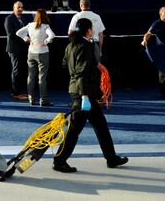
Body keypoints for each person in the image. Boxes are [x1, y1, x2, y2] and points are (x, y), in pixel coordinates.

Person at [52, 17, 128, 173]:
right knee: (77, 129)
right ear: (88, 31)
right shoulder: (86, 46)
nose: (93, 31)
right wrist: (85, 95)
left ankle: (111, 158)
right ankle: (59, 160)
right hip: (84, 93)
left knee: (98, 126)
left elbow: (65, 64)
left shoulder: (70, 45)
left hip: (76, 90)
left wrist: (92, 66)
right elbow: (82, 73)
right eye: (92, 28)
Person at [16, 9, 56, 106]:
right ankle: (43, 100)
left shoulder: (30, 25)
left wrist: (27, 39)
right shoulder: (45, 26)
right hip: (43, 53)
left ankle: (31, 99)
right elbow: (52, 36)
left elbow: (18, 32)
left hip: (31, 53)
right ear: (44, 16)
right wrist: (45, 42)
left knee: (31, 76)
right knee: (42, 78)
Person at [4, 1, 29, 101]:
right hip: (14, 49)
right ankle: (15, 93)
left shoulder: (22, 19)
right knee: (16, 70)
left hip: (21, 49)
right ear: (13, 8)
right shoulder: (9, 19)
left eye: (22, 7)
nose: (20, 9)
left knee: (19, 70)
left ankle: (18, 91)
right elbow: (11, 35)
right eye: (18, 7)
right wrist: (25, 40)